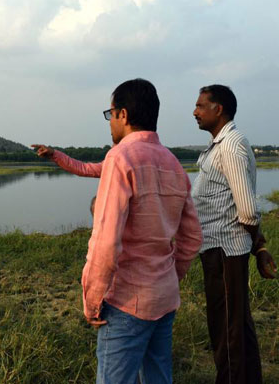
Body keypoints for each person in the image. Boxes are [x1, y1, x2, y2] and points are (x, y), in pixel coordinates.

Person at [33, 78, 202, 383]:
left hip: (127, 302)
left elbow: (106, 242)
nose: (109, 122)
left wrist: (92, 299)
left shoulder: (120, 158)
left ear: (123, 115)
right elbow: (192, 238)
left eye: (110, 114)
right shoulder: (174, 164)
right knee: (158, 376)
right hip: (164, 298)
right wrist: (169, 277)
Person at [191, 84, 277, 384]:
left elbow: (248, 211)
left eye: (201, 106)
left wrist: (259, 245)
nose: (195, 111)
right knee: (236, 324)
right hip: (217, 249)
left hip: (225, 251)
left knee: (227, 329)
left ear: (219, 109)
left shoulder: (230, 146)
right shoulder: (219, 145)